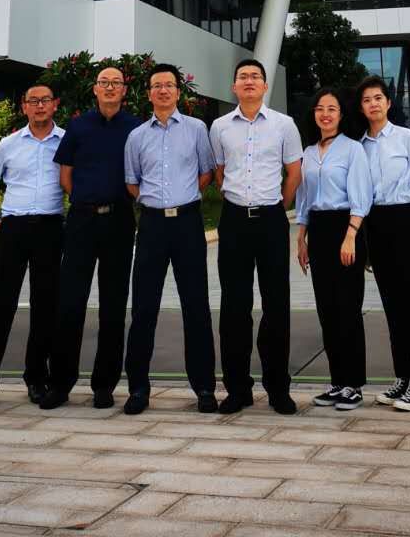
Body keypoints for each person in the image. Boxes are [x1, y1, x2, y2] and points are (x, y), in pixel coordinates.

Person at [40, 65, 142, 410]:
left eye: (116, 82)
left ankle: (104, 385)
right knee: (70, 304)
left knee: (113, 307)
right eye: (104, 82)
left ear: (124, 90)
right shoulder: (79, 126)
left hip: (119, 221)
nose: (110, 87)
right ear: (95, 89)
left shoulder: (136, 128)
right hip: (82, 221)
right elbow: (65, 176)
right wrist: (86, 201)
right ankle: (60, 384)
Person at [121, 63, 218, 415]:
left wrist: (182, 198)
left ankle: (204, 388)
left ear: (178, 91)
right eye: (157, 85)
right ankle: (138, 389)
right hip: (151, 226)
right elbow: (132, 182)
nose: (163, 90)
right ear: (148, 93)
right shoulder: (136, 136)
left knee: (196, 306)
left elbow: (206, 173)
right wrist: (157, 204)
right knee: (144, 307)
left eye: (169, 85)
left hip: (187, 224)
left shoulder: (196, 129)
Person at [210, 57, 302, 416]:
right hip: (234, 221)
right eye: (242, 77)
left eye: (255, 76)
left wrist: (279, 207)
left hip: (271, 221)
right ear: (234, 86)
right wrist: (237, 201)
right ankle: (237, 389)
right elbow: (219, 172)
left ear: (265, 86)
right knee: (234, 307)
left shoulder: (284, 125)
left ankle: (278, 389)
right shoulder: (219, 126)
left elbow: (294, 173)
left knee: (276, 305)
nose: (249, 81)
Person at [0, 81, 65, 413]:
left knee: (45, 308)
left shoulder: (67, 141)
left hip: (51, 229)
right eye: (32, 101)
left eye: (45, 100)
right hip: (13, 229)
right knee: (2, 307)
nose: (39, 106)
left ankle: (36, 378)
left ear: (55, 104)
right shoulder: (8, 144)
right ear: (24, 106)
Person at [358, 75, 410, 411]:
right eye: (366, 100)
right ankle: (403, 377)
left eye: (378, 98)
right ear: (361, 108)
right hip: (375, 226)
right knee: (392, 307)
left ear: (388, 102)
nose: (373, 104)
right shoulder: (359, 145)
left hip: (405, 222)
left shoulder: (406, 137)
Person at [295, 87, 372, 410]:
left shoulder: (353, 149)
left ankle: (354, 384)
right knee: (326, 309)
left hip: (346, 228)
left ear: (341, 114)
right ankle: (337, 381)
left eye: (332, 109)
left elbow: (362, 196)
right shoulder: (309, 152)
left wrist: (351, 235)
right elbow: (304, 199)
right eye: (320, 109)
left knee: (348, 309)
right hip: (319, 231)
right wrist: (301, 238)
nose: (325, 114)